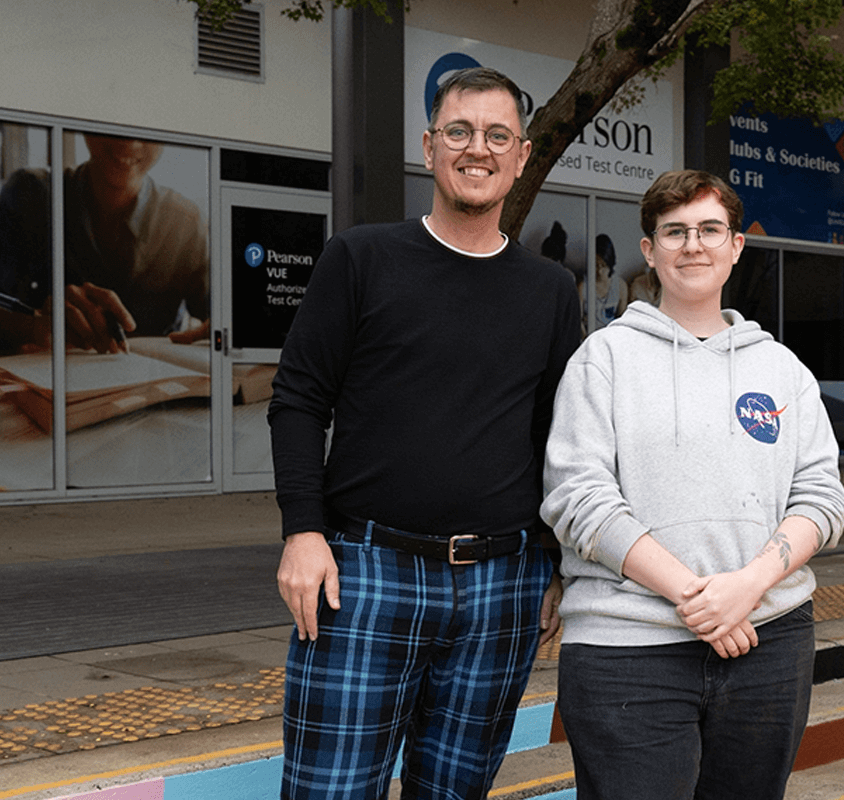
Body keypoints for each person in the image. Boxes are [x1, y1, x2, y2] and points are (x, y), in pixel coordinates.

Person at [269, 67, 580, 799]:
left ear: (522, 156)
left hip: (502, 587)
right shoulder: (360, 257)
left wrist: (555, 562)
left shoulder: (549, 291)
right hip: (363, 573)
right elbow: (298, 399)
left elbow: (557, 435)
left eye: (498, 135)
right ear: (429, 145)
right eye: (460, 131)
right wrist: (302, 531)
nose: (478, 149)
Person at [541, 169, 844, 800]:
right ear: (650, 251)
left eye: (710, 230)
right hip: (629, 648)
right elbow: (579, 498)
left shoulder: (782, 369)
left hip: (768, 641)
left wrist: (748, 586)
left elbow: (822, 495)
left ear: (736, 246)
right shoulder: (602, 360)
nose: (693, 245)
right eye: (674, 232)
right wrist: (701, 600)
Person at [0, 133, 209, 354]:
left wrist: (226, 325)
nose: (130, 141)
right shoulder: (28, 194)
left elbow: (223, 312)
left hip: (156, 375)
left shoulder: (186, 222)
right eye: (114, 121)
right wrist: (31, 326)